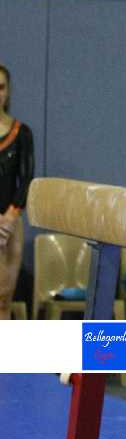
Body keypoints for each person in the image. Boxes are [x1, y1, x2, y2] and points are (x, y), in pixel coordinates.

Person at [0, 64, 34, 320]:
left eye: (0, 87)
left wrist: (11, 216)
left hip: (9, 222)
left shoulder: (21, 133)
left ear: (8, 91)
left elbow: (27, 178)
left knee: (3, 298)